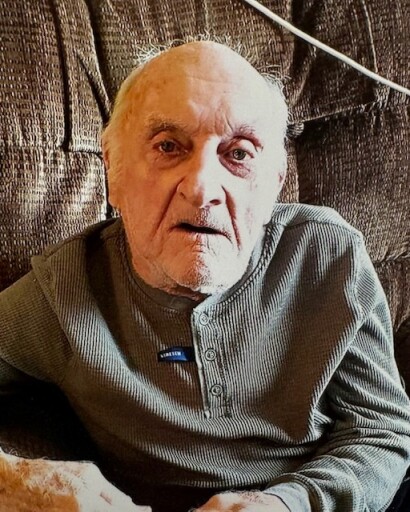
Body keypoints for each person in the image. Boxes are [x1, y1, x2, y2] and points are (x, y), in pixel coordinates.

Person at [0, 40, 409, 512]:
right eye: (168, 146)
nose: (201, 188)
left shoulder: (328, 257)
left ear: (275, 183)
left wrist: (287, 504)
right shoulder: (66, 287)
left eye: (238, 154)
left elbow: (380, 430)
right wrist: (17, 481)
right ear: (114, 171)